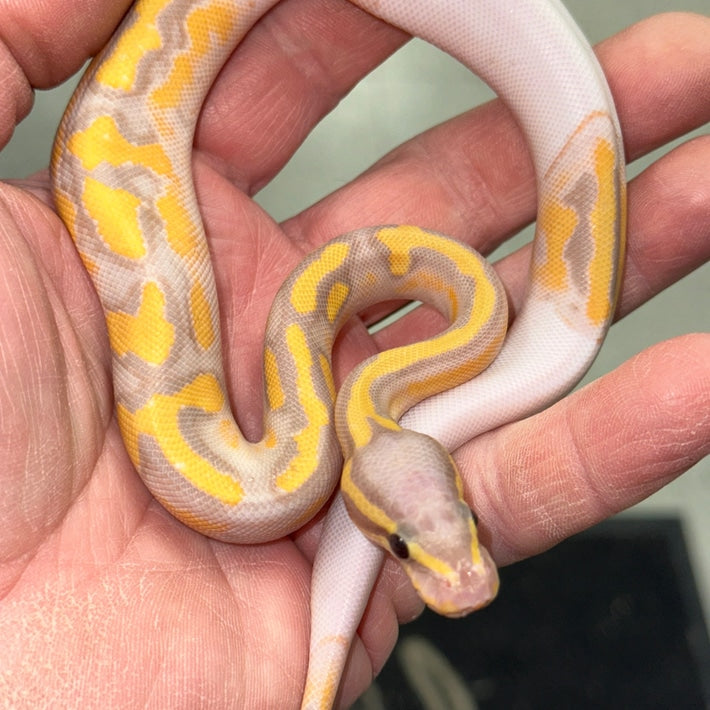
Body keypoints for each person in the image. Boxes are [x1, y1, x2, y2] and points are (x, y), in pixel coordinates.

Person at [0, 2, 707, 707]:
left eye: (425, 540)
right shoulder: (343, 429)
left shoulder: (334, 431)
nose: (466, 580)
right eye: (404, 545)